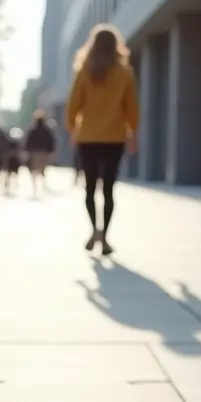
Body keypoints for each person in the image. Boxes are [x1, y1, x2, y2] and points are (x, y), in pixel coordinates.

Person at [66, 24, 140, 255]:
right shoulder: (124, 73)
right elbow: (132, 108)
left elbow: (72, 107)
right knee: (108, 189)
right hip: (114, 138)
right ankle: (104, 236)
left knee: (89, 189)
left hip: (88, 138)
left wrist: (73, 130)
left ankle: (94, 230)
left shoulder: (84, 72)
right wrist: (133, 133)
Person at [24, 111, 56, 197]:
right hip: (44, 153)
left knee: (34, 171)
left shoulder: (32, 130)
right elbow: (51, 142)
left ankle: (35, 187)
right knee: (42, 170)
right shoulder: (47, 131)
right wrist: (51, 152)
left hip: (34, 153)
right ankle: (42, 185)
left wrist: (27, 151)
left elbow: (28, 142)